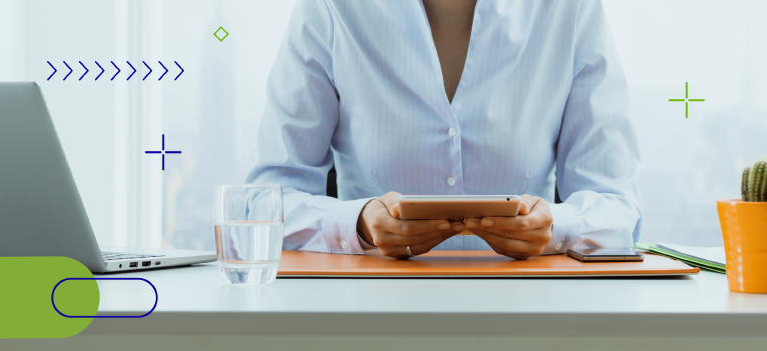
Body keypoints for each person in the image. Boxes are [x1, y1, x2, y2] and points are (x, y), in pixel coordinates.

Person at [247, 0, 641, 260]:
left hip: (527, 323)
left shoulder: (569, 10)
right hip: (371, 320)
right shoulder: (332, 9)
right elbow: (265, 205)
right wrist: (359, 224)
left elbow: (618, 207)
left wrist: (558, 227)